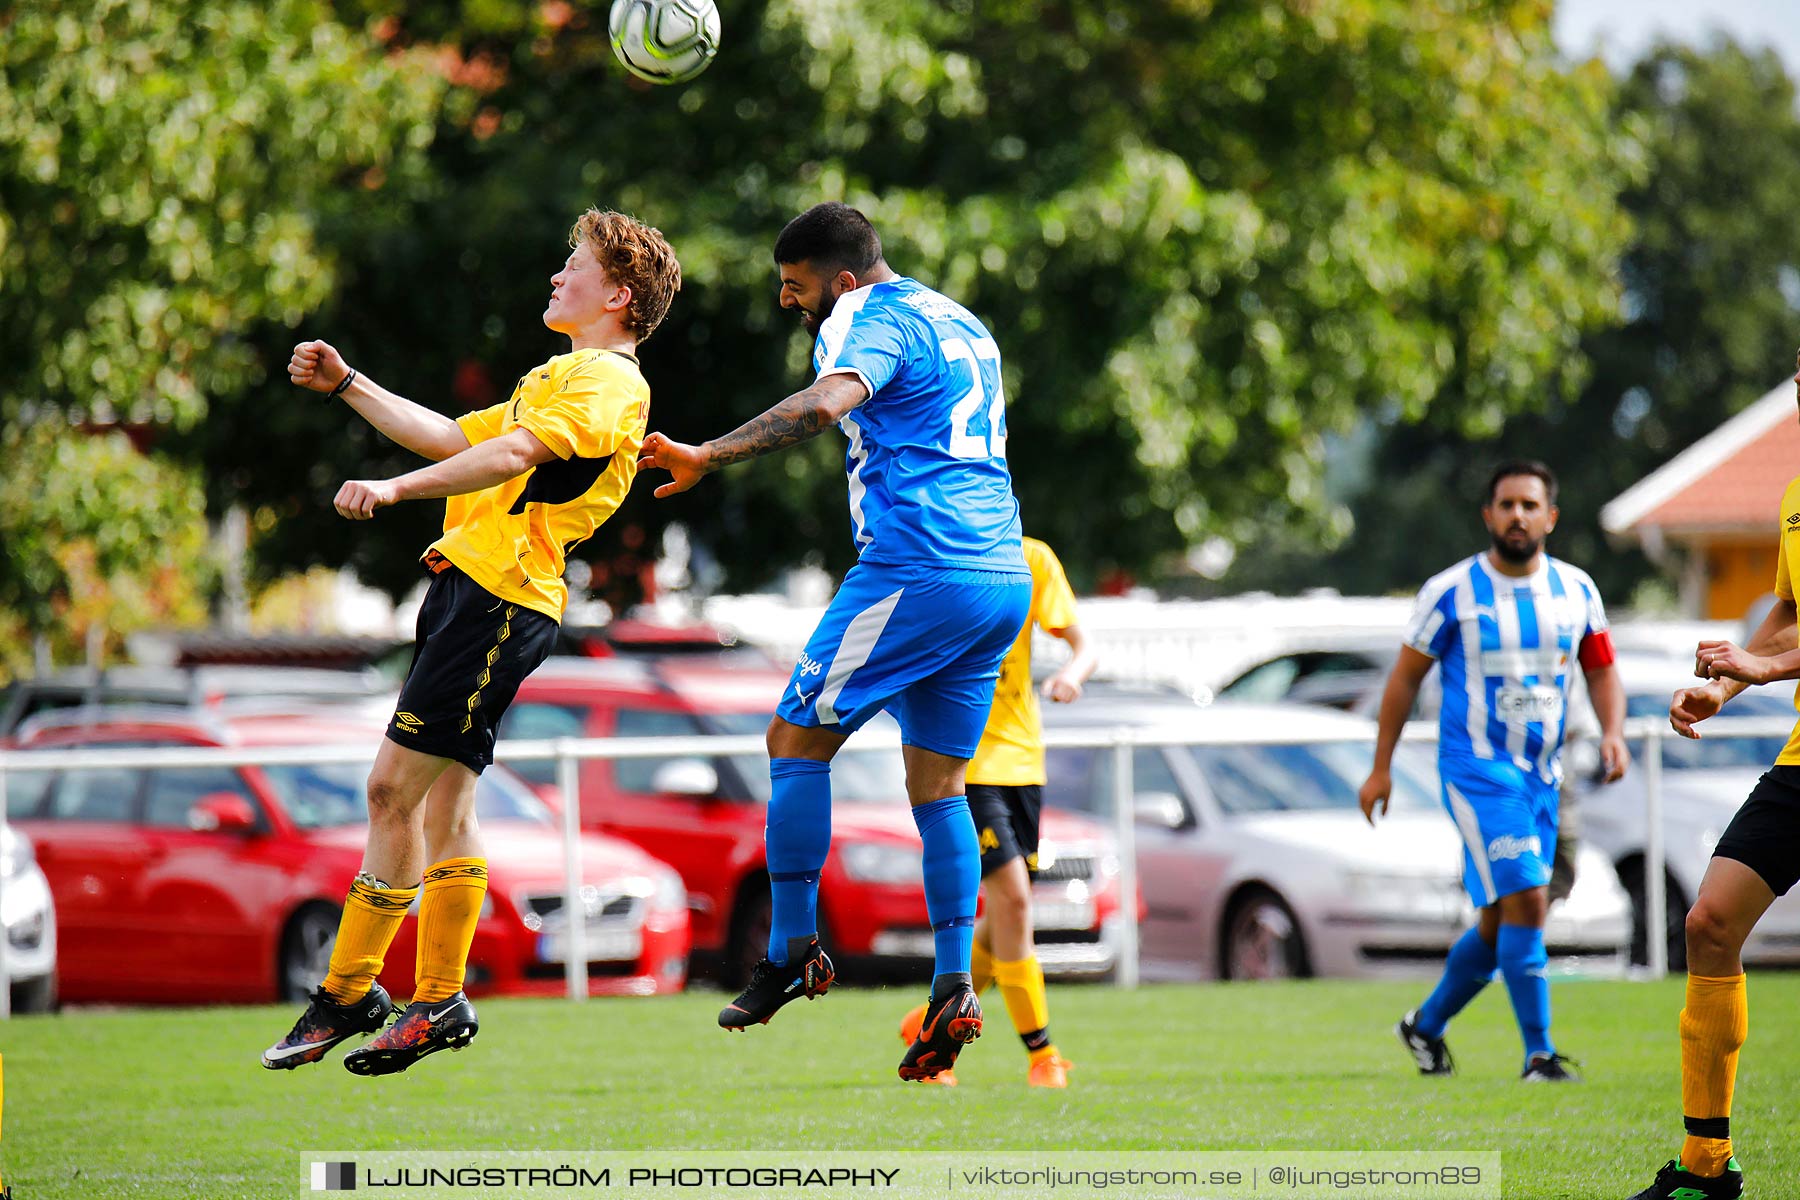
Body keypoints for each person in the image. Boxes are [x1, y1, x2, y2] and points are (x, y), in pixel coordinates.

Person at [260, 209, 681, 1076]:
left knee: (390, 791)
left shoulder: (608, 381)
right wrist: (350, 385)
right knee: (445, 807)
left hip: (498, 601)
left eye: (574, 267)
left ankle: (349, 990)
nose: (557, 279)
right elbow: (458, 437)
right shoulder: (558, 373)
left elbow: (510, 456)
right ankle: (437, 1000)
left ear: (618, 294)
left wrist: (393, 490)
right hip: (472, 590)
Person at [636, 201, 1031, 1083]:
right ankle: (954, 984)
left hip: (920, 568)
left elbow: (828, 402)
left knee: (793, 740)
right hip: (1000, 574)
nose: (789, 302)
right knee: (938, 785)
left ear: (842, 280)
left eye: (796, 286)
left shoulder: (867, 316)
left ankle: (791, 949)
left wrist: (706, 454)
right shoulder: (958, 316)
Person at [1358, 460, 1629, 1083]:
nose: (1517, 515)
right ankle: (1539, 1055)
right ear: (1488, 515)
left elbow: (1601, 669)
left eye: (1529, 505)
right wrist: (1380, 768)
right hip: (1477, 772)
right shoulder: (1451, 591)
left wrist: (1612, 732)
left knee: (1504, 918)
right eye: (1505, 504)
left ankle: (1424, 1026)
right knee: (1527, 903)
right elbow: (1403, 680)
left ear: (1550, 517)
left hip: (1545, 776)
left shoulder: (1577, 591)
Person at [1626, 352, 1800, 1200]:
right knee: (1708, 921)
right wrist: (1725, 685)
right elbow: (1791, 614)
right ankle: (1705, 1169)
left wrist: (1762, 674)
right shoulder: (1795, 496)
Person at [896, 535, 1095, 1089]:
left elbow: (1084, 645)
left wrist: (1071, 676)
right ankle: (1042, 1054)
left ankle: (928, 1026)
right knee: (1013, 899)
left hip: (1025, 764)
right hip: (966, 764)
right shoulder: (937, 551)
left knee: (1004, 916)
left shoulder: (1032, 558)